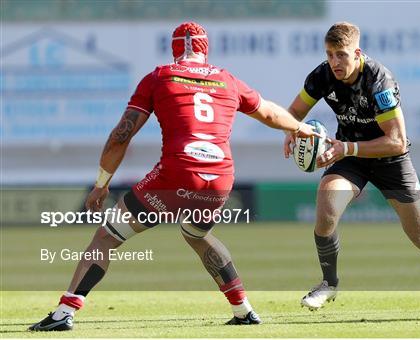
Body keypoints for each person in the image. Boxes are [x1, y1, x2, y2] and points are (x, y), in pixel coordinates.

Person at [29, 21, 319, 331]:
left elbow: (120, 136)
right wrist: (301, 128)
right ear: (206, 50)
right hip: (220, 176)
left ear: (174, 49)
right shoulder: (228, 80)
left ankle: (64, 312)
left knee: (108, 235)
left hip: (177, 174)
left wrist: (102, 184)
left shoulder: (159, 77)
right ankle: (243, 309)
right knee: (196, 234)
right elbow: (272, 114)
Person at [283, 22, 420, 312]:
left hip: (390, 159)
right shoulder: (322, 75)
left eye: (341, 55)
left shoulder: (379, 81)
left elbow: (397, 142)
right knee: (326, 209)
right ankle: (329, 283)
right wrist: (290, 131)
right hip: (351, 159)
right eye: (329, 54)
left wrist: (345, 147)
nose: (334, 62)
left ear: (357, 53)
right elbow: (294, 113)